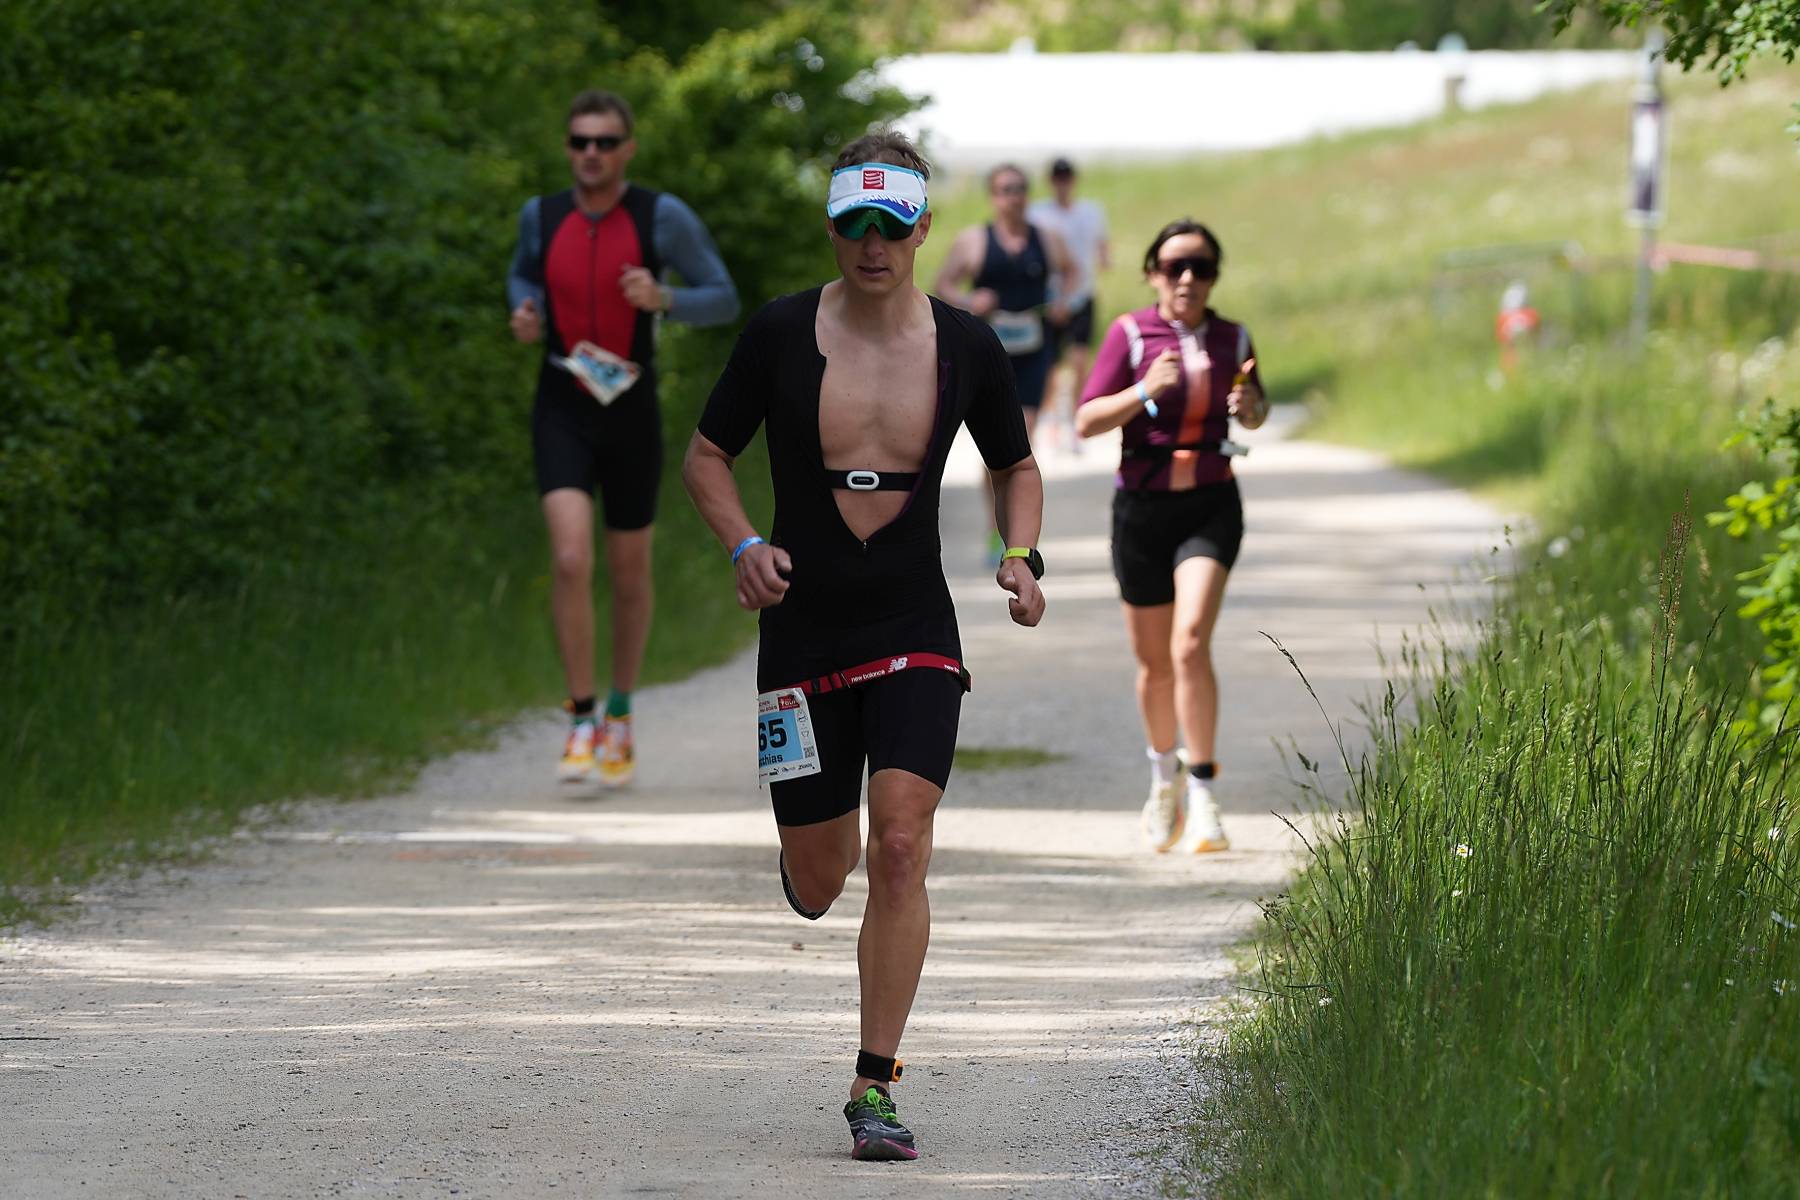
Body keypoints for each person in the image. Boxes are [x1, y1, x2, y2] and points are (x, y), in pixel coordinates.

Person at [683, 131, 1046, 1161]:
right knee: (822, 872)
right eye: (855, 224)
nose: (874, 244)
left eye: (894, 225)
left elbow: (1016, 466)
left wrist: (1022, 555)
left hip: (911, 625)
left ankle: (874, 1083)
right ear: (833, 226)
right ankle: (806, 852)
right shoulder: (779, 334)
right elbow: (707, 456)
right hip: (799, 632)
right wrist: (743, 542)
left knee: (899, 842)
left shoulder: (968, 345)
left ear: (925, 229)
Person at [507, 89, 739, 788]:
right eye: (580, 141)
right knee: (572, 558)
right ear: (567, 147)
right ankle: (580, 717)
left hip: (630, 406)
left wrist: (664, 299)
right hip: (561, 399)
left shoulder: (659, 217)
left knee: (629, 573)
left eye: (605, 142)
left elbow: (723, 296)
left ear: (627, 149)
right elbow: (523, 272)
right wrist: (524, 310)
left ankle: (620, 711)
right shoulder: (540, 216)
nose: (591, 154)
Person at [1075, 219, 1266, 855]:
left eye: (1203, 267)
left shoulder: (1233, 335)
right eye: (1175, 265)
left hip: (1210, 504)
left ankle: (1206, 797)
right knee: (1155, 664)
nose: (1188, 279)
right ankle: (1165, 782)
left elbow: (1256, 409)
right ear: (1153, 271)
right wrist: (1142, 390)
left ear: (1215, 275)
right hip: (1142, 510)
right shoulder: (1130, 334)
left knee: (1189, 645)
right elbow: (1086, 419)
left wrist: (1251, 408)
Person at [934, 163, 1079, 443]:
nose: (1015, 196)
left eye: (1021, 189)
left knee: (1025, 426)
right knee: (996, 433)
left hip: (1035, 346)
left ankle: (1015, 481)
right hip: (989, 347)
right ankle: (998, 481)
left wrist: (1064, 301)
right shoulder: (973, 240)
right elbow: (943, 284)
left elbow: (1072, 270)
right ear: (993, 196)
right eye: (1007, 190)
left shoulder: (1047, 238)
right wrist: (969, 300)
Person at [1027, 157, 1110, 451]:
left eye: (1066, 177)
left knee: (1079, 361)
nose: (1063, 183)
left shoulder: (1091, 212)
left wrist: (1103, 260)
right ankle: (1050, 419)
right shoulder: (1038, 214)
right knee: (1049, 365)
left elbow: (1102, 246)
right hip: (1049, 300)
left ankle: (1074, 421)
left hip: (1082, 296)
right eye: (1058, 178)